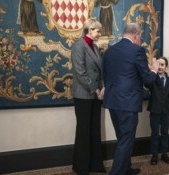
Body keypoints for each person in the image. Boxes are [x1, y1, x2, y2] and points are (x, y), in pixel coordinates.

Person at [103, 23, 158, 175]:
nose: (140, 39)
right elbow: (148, 80)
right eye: (140, 36)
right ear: (135, 35)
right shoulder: (137, 51)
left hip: (112, 101)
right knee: (126, 140)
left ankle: (126, 169)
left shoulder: (109, 51)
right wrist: (153, 69)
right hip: (127, 102)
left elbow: (105, 77)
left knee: (123, 138)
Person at [71, 18, 105, 175]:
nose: (100, 33)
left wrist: (102, 88)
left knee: (94, 130)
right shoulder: (79, 46)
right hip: (84, 96)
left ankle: (95, 165)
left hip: (96, 95)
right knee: (84, 131)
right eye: (98, 30)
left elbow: (99, 71)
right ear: (89, 30)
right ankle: (82, 167)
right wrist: (95, 89)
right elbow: (80, 72)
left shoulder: (95, 47)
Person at [145, 56, 169, 165]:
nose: (160, 67)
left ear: (166, 67)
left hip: (166, 112)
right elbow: (147, 84)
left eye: (162, 65)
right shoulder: (152, 79)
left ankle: (164, 154)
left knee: (165, 133)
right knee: (154, 133)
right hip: (155, 111)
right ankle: (154, 155)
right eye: (158, 64)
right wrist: (151, 71)